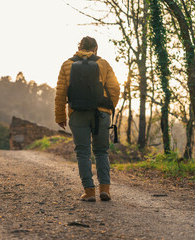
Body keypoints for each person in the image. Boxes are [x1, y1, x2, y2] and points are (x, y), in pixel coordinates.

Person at [55, 36, 120, 201]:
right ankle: (105, 190)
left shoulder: (67, 64)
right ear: (95, 49)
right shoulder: (103, 63)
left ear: (79, 47)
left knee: (83, 153)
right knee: (101, 151)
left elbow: (61, 93)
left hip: (77, 114)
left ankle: (89, 191)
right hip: (101, 114)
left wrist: (60, 116)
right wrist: (108, 107)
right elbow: (114, 88)